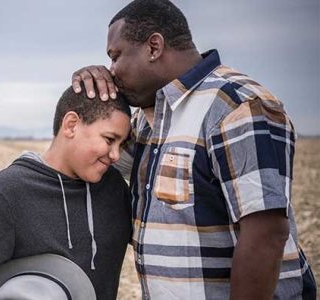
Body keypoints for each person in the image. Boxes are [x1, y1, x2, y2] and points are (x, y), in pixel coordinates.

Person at [71, 0, 317, 299]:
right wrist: (92, 96)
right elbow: (94, 158)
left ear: (154, 47)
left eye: (116, 56)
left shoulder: (235, 106)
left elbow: (266, 234)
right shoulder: (150, 119)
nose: (112, 70)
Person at [0, 86, 133, 299]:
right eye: (109, 139)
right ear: (71, 125)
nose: (116, 155)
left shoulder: (114, 187)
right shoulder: (10, 191)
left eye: (121, 144)